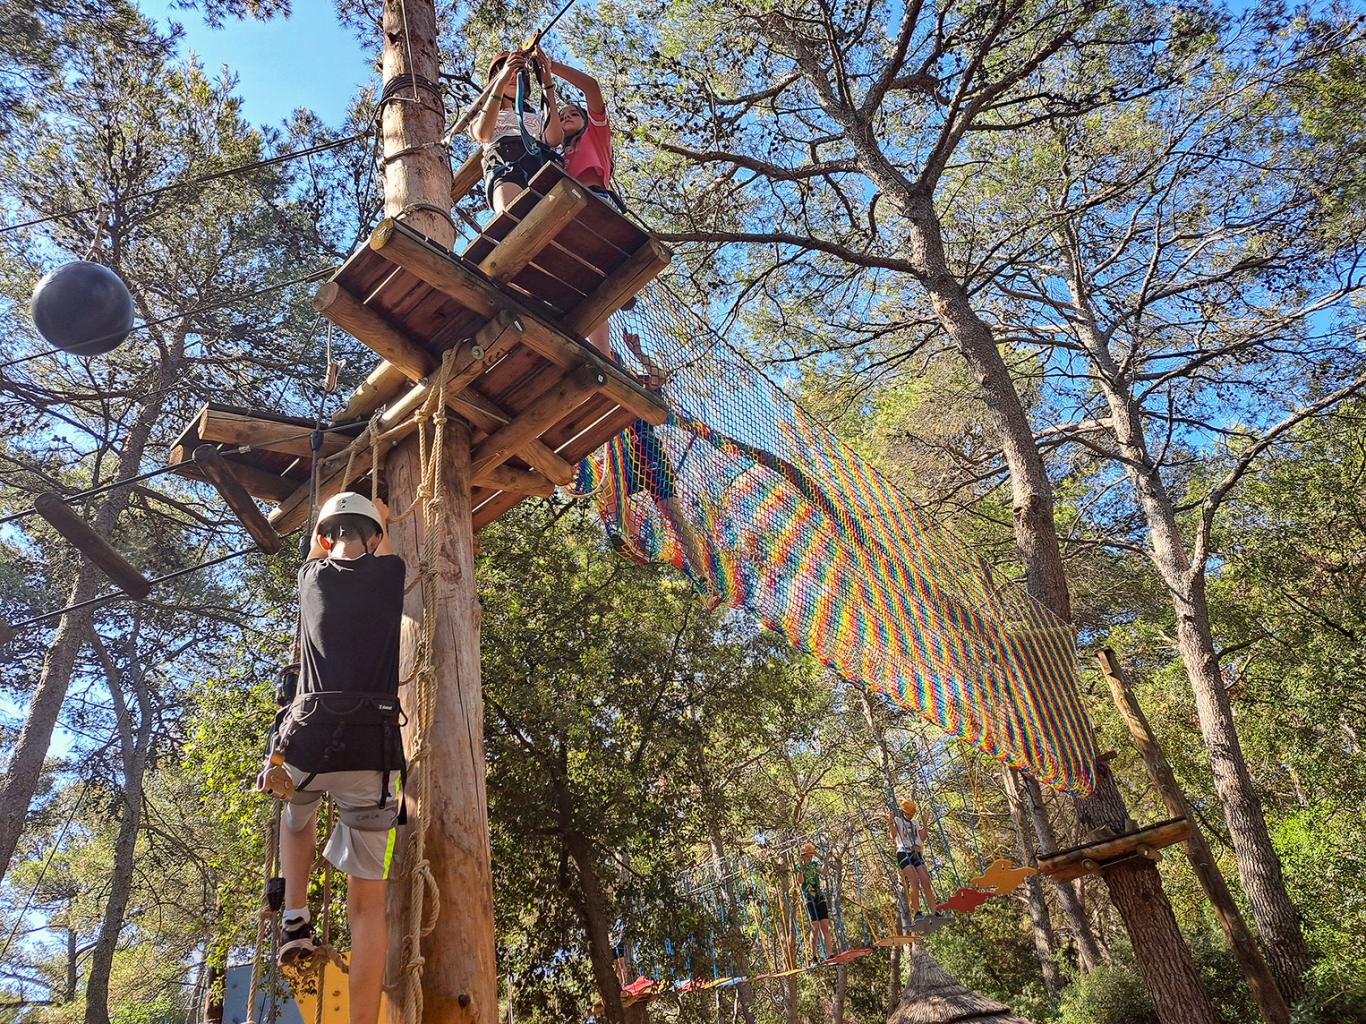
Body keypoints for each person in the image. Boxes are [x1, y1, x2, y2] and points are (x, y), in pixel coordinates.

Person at [258, 492, 406, 1024]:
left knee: (296, 817)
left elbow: (325, 551)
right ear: (375, 537)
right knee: (368, 908)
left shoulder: (312, 578)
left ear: (324, 538)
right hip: (374, 752)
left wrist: (344, 515)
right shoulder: (391, 574)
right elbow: (381, 551)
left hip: (308, 743)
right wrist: (381, 515)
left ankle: (295, 916)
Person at [544, 56, 627, 355]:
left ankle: (602, 351)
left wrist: (552, 68)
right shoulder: (557, 157)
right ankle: (591, 347)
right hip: (569, 211)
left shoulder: (596, 135)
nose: (566, 116)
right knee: (580, 282)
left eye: (573, 114)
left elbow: (591, 88)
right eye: (561, 115)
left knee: (592, 277)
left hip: (595, 202)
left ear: (585, 119)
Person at [470, 47, 565, 213]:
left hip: (537, 160)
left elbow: (554, 138)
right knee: (511, 211)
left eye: (518, 73)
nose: (513, 77)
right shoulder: (485, 116)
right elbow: (483, 134)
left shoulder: (536, 118)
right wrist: (500, 83)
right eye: (508, 73)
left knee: (555, 210)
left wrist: (546, 82)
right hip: (504, 161)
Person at [889, 798, 940, 922]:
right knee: (914, 881)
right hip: (903, 852)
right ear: (903, 812)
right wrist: (890, 821)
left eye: (912, 813)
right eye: (909, 813)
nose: (911, 815)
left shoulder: (915, 823)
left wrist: (925, 823)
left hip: (916, 853)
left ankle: (934, 911)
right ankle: (917, 912)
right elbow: (893, 835)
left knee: (925, 881)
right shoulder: (898, 821)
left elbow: (922, 837)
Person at [797, 841, 838, 962]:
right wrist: (800, 866)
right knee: (815, 926)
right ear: (803, 856)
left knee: (825, 925)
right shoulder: (800, 867)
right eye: (807, 856)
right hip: (808, 896)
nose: (809, 858)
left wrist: (827, 859)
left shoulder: (815, 864)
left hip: (819, 895)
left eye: (811, 855)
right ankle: (814, 957)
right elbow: (800, 881)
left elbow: (824, 874)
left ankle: (830, 955)